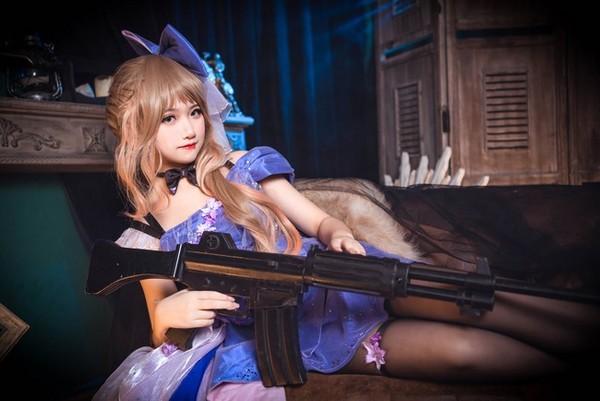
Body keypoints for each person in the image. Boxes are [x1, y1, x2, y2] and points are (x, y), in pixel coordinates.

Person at [92, 25, 600, 401]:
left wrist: (337, 233)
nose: (189, 128)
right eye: (169, 118)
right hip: (298, 333)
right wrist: (169, 314)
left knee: (480, 300)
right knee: (464, 353)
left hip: (348, 277)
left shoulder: (241, 166)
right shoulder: (147, 228)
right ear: (137, 130)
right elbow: (159, 322)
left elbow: (317, 221)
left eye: (194, 112)